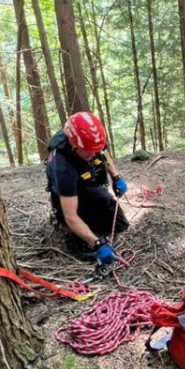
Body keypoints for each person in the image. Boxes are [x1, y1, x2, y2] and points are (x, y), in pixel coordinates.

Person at [46, 111, 129, 264]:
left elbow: (103, 152)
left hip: (89, 185)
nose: (93, 153)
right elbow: (71, 217)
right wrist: (98, 244)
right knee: (86, 241)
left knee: (120, 224)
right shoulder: (62, 167)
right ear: (74, 145)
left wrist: (116, 176)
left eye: (94, 149)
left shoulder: (92, 138)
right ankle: (73, 235)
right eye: (88, 150)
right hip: (69, 196)